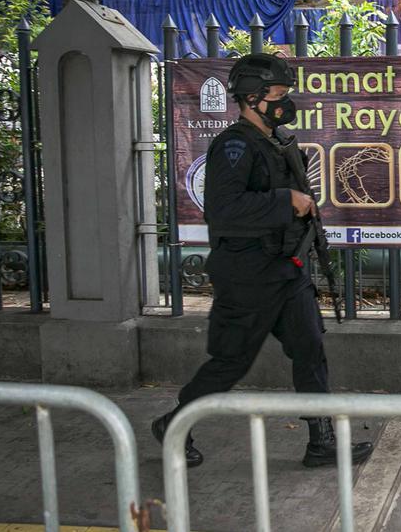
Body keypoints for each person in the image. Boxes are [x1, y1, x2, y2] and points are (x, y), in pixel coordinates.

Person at [151, 53, 373, 469]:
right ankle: (174, 423)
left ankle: (321, 440)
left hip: (287, 268)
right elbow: (224, 209)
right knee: (232, 360)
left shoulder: (278, 141)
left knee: (309, 348)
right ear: (252, 98)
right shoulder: (234, 146)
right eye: (277, 94)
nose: (285, 101)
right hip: (248, 272)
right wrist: (285, 199)